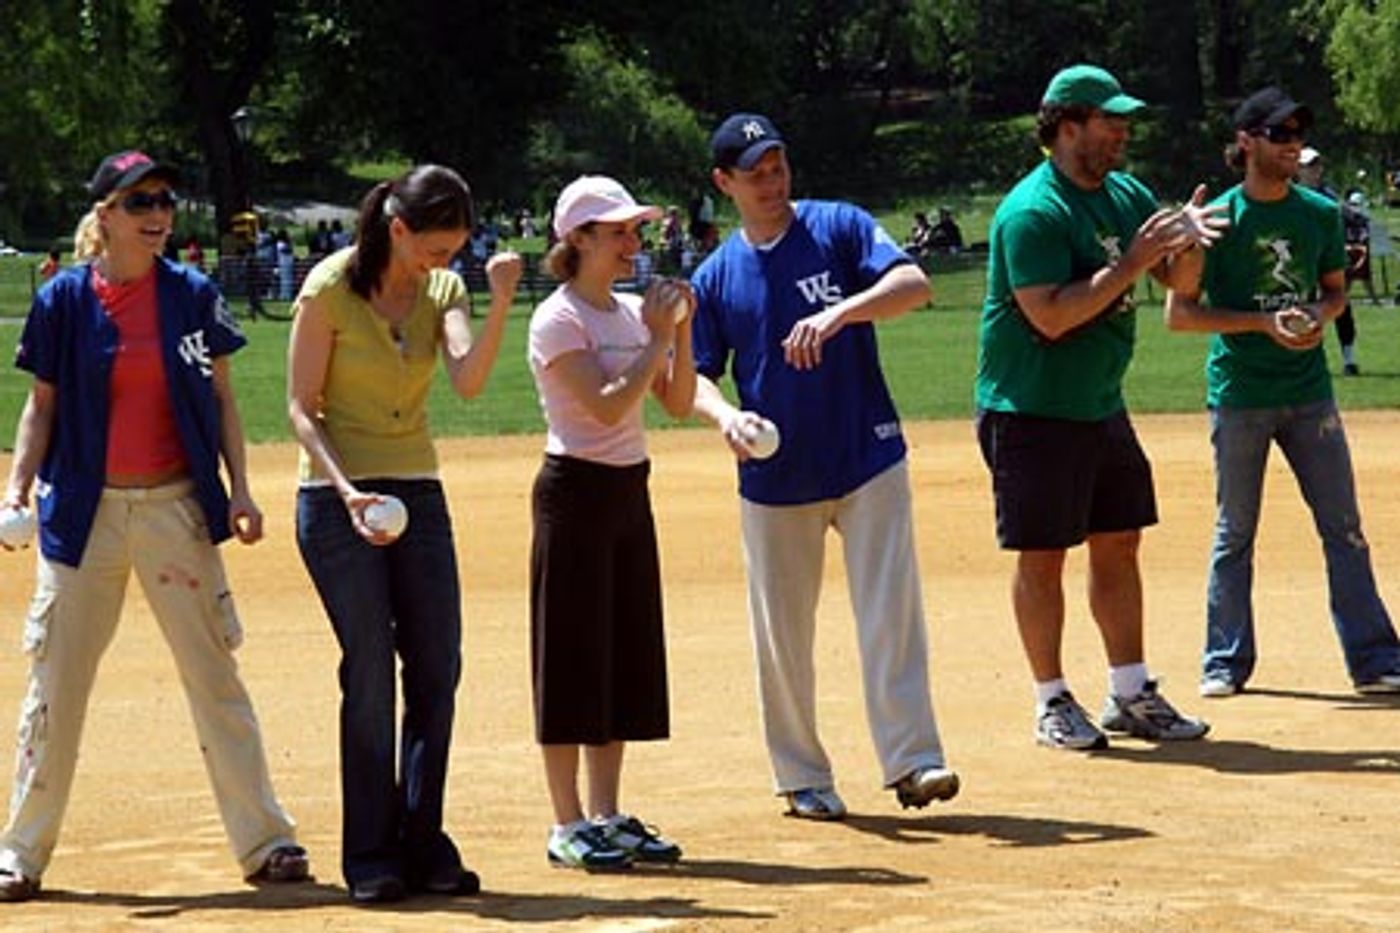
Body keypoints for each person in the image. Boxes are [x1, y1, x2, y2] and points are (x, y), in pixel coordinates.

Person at [0, 150, 309, 902]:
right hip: (85, 512)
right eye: (140, 202)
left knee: (215, 677)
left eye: (165, 199)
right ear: (104, 215)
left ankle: (265, 840)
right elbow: (42, 403)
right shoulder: (65, 298)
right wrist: (16, 485)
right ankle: (19, 851)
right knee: (54, 688)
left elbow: (226, 400)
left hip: (175, 508)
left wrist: (240, 489)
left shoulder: (193, 294)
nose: (158, 214)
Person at [690, 112, 959, 821]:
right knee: (782, 633)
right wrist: (724, 417)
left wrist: (841, 312)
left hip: (866, 451)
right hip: (775, 477)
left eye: (778, 166)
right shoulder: (716, 275)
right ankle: (801, 774)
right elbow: (692, 374)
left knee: (890, 611)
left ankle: (913, 759)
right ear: (725, 184)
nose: (773, 181)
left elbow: (913, 284)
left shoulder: (837, 226)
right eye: (756, 173)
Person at [287, 164, 523, 903]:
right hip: (335, 498)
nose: (441, 264)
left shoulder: (444, 290)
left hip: (417, 490)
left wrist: (501, 301)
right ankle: (370, 852)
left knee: (435, 667)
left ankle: (423, 839)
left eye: (452, 252)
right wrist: (348, 489)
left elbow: (468, 380)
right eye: (433, 250)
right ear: (398, 230)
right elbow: (300, 406)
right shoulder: (329, 287)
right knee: (368, 673)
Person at [975, 65, 1221, 751]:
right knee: (1044, 554)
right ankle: (1051, 699)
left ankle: (1130, 690)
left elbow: (1178, 282)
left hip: (1099, 402)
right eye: (1109, 119)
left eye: (1124, 120)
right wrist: (1139, 258)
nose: (1123, 131)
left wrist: (1191, 246)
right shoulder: (1033, 211)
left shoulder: (1125, 192)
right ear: (1067, 124)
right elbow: (1051, 315)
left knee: (1119, 540)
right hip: (1030, 407)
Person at [1163, 87, 1400, 698]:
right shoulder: (1216, 218)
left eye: (1297, 134)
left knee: (1343, 527)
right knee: (1235, 532)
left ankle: (1374, 659)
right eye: (1279, 135)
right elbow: (1180, 316)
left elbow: (1333, 292)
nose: (1293, 144)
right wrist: (1261, 323)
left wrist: (1318, 317)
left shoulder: (1317, 213)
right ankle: (1224, 662)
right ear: (1246, 144)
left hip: (1310, 393)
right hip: (1241, 393)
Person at [527, 175, 695, 870]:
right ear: (580, 240)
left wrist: (679, 336)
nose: (634, 243)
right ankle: (567, 822)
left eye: (635, 230)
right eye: (620, 231)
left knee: (619, 653)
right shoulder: (558, 318)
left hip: (629, 489)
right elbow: (602, 408)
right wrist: (658, 338)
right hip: (574, 493)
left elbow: (677, 403)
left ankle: (607, 812)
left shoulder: (630, 314)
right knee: (569, 656)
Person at [1295, 147, 1362, 374]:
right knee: (1304, 309)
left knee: (1341, 306)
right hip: (1301, 262)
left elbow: (1351, 219)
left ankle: (1349, 359)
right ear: (1298, 169)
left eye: (1316, 165)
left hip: (1329, 260)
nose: (1314, 170)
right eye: (1308, 166)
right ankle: (1305, 359)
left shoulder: (1328, 196)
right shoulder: (1288, 194)